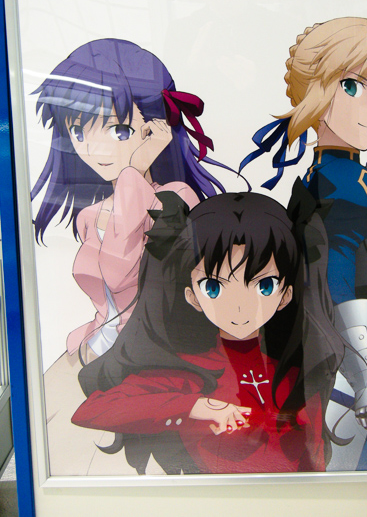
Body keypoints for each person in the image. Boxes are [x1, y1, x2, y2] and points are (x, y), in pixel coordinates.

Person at [240, 17, 367, 469]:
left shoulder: (351, 178)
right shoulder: (336, 183)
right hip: (356, 351)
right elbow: (336, 275)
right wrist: (366, 380)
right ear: (317, 91)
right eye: (352, 86)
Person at [31, 38, 229, 474]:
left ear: (155, 130)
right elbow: (105, 296)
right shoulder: (89, 215)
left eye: (118, 131)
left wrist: (135, 173)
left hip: (157, 361)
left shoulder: (177, 199)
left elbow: (124, 274)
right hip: (96, 352)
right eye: (79, 131)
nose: (95, 148)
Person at [72, 189, 345, 475]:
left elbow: (315, 458)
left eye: (264, 285)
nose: (239, 305)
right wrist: (195, 406)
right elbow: (93, 410)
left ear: (286, 295)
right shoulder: (187, 371)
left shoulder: (297, 370)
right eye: (213, 287)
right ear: (192, 297)